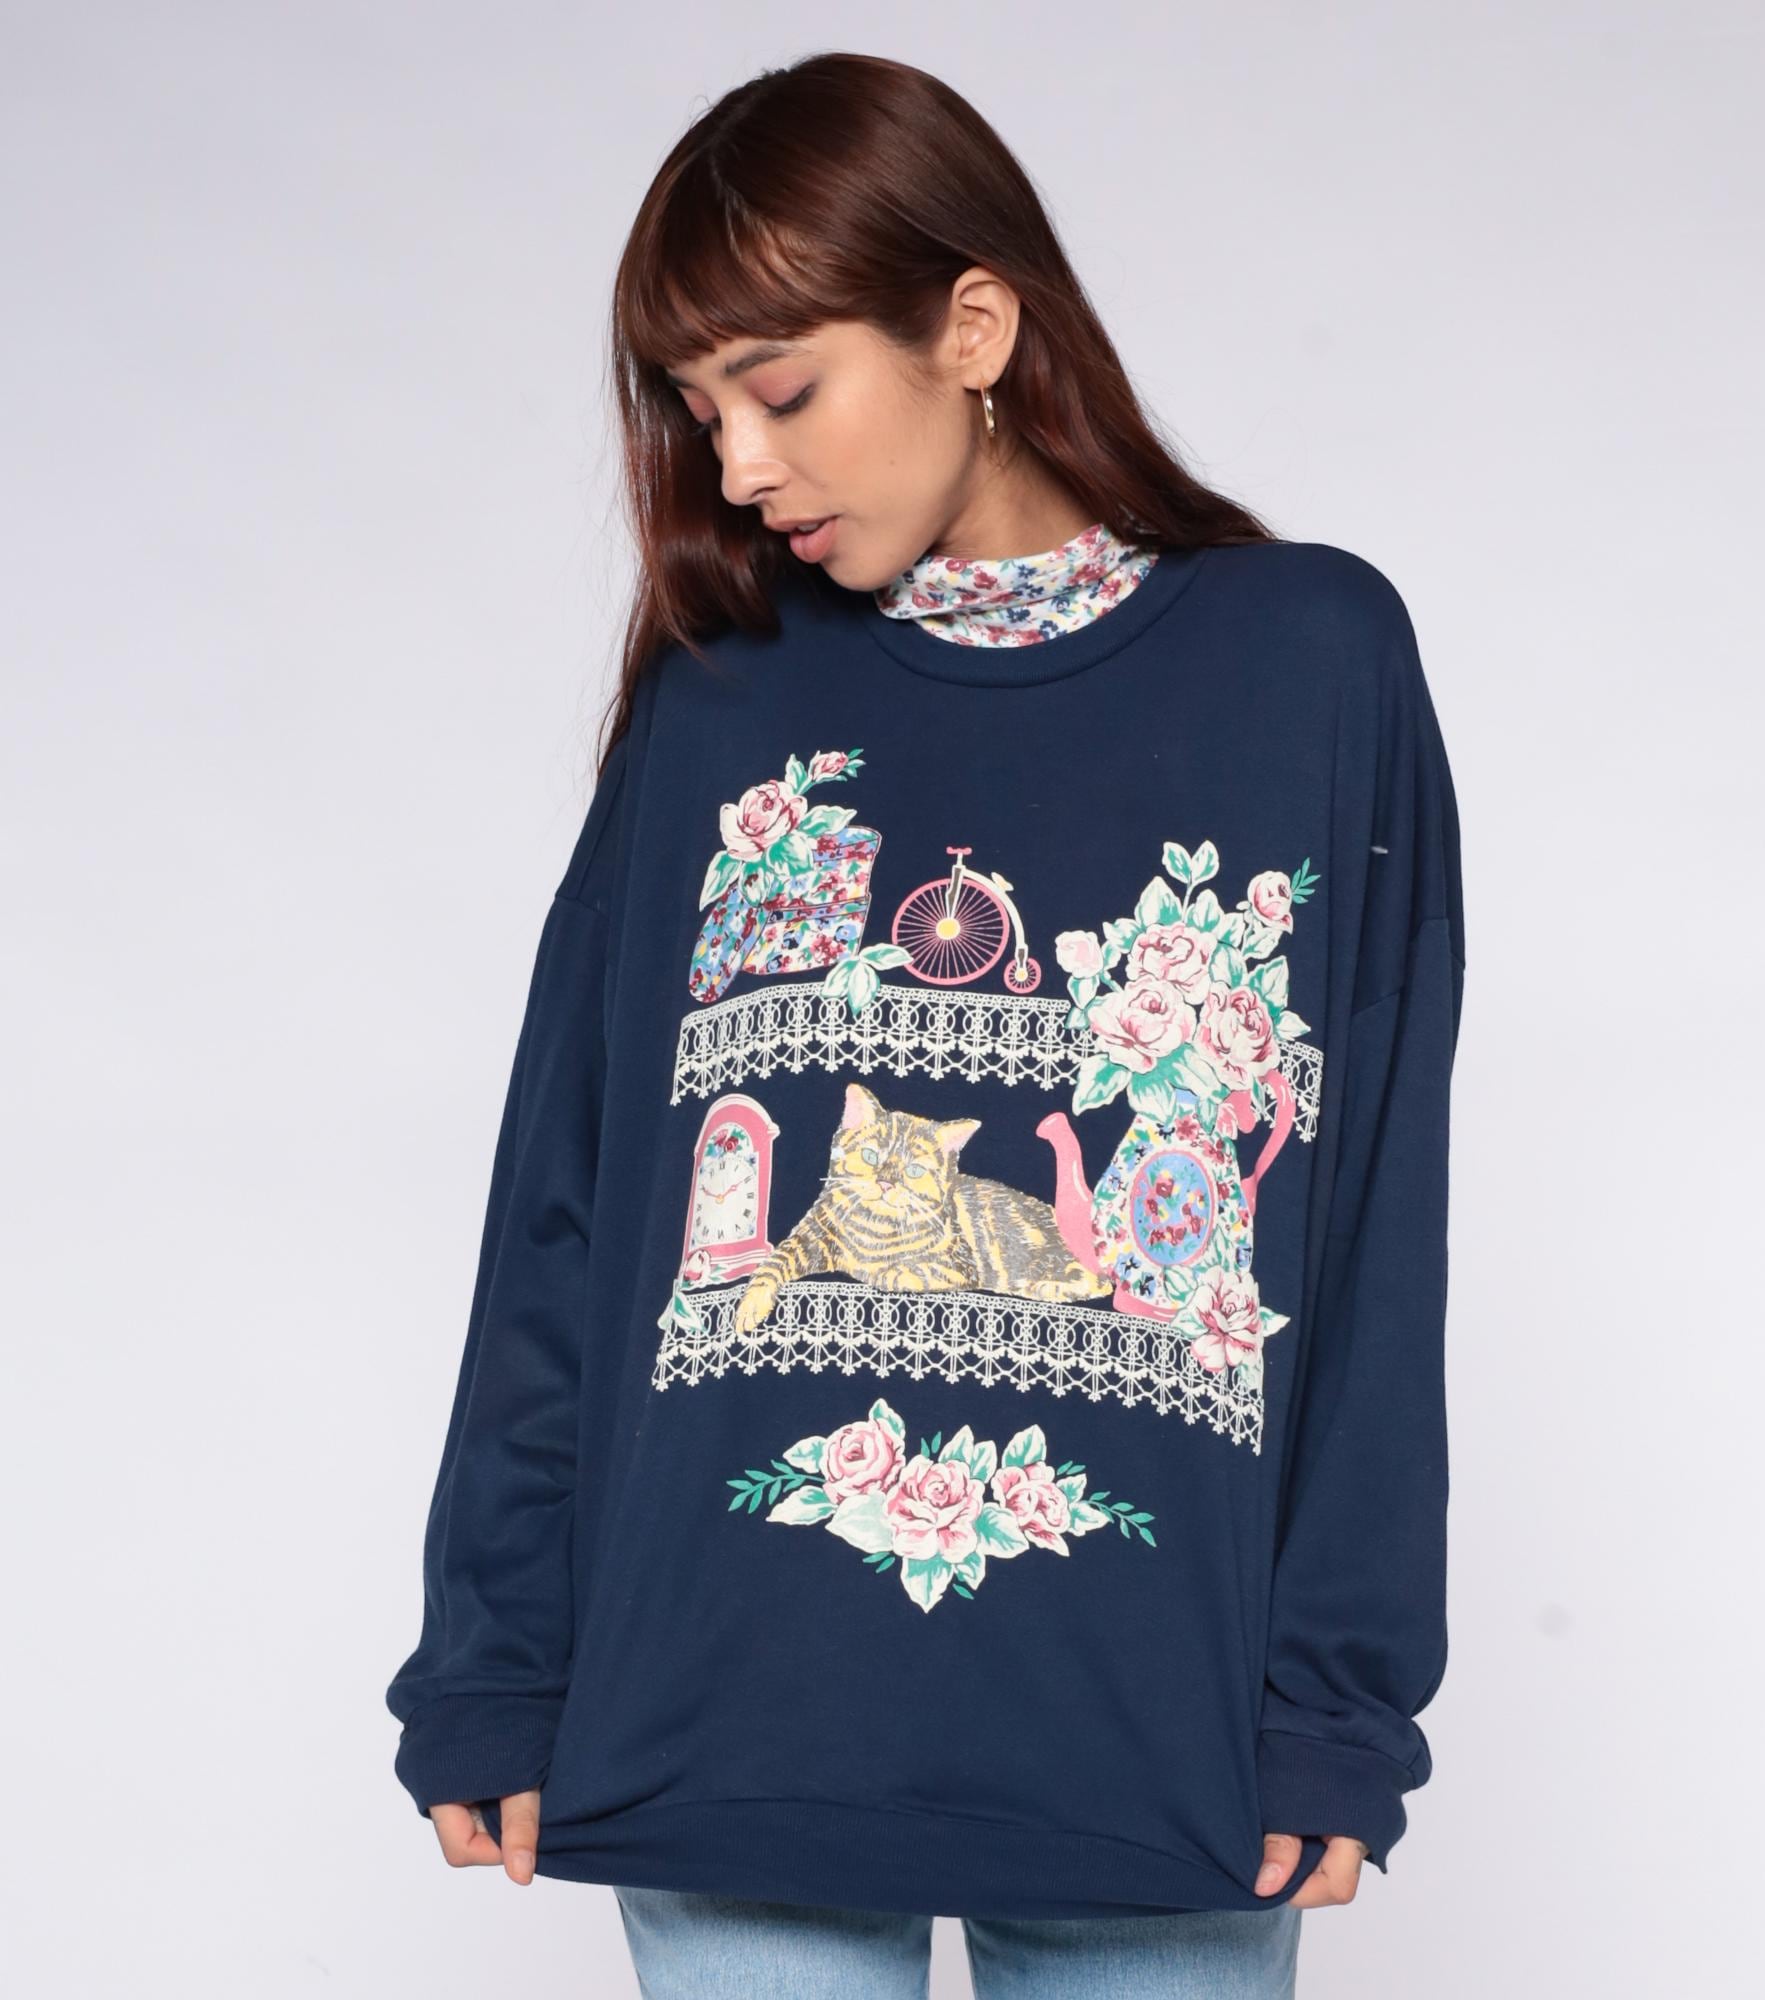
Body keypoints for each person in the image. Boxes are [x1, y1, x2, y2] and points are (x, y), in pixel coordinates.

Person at [384, 50, 1466, 2000]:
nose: (735, 467)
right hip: (721, 1711)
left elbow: (1372, 1214)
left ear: (973, 326)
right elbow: (571, 1197)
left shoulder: (1306, 662)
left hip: (1154, 1737)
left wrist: (1337, 1695)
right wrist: (493, 1655)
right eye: (696, 409)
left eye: (779, 389)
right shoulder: (720, 703)